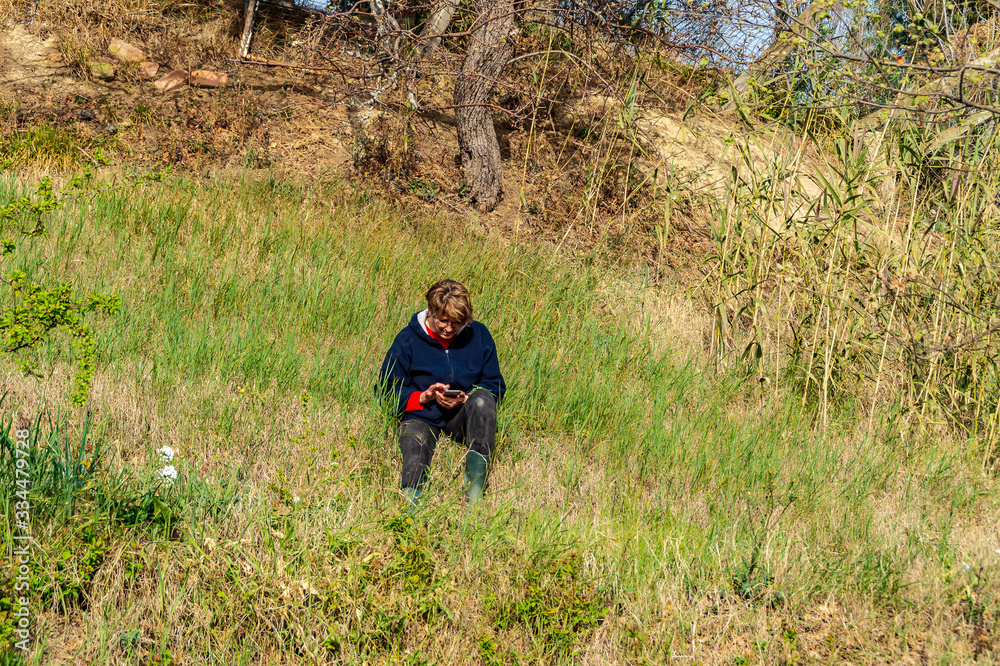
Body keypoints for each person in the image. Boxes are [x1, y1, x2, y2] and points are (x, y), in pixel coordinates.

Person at [376, 279, 505, 508]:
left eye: (457, 323)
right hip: (421, 414)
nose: (448, 328)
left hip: (461, 416)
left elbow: (495, 384)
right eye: (443, 320)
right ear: (431, 311)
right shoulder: (407, 340)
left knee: (484, 400)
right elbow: (386, 389)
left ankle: (474, 491)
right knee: (415, 443)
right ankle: (411, 505)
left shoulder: (480, 335)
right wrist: (423, 397)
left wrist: (468, 397)